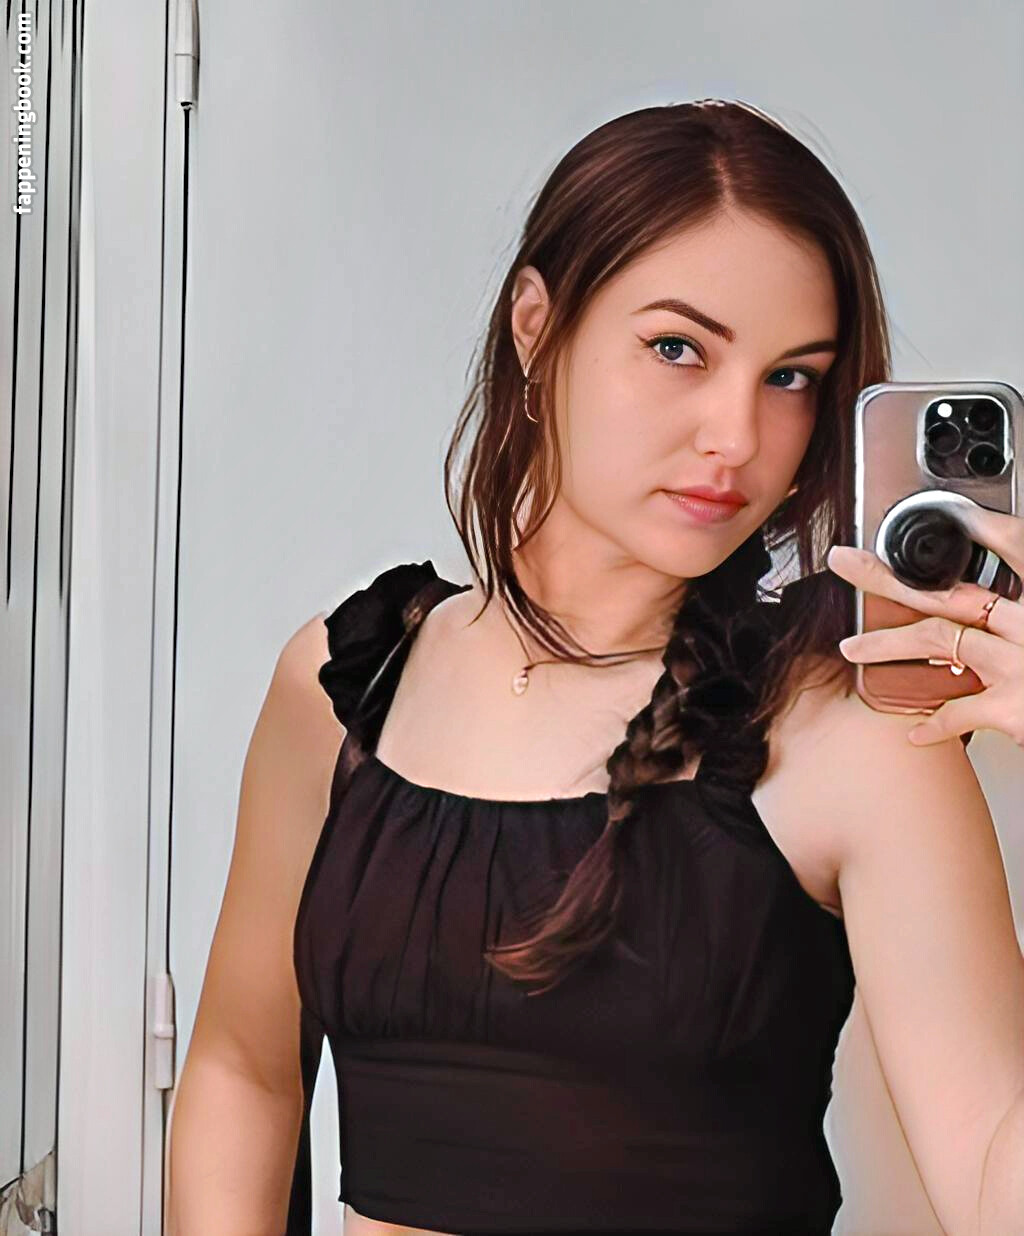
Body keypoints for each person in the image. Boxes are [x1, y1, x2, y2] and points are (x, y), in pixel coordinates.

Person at [166, 99, 1024, 1236]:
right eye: (678, 349)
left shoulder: (851, 732)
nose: (736, 436)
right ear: (537, 327)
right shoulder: (345, 685)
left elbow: (994, 1175)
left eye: (790, 377)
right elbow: (241, 1069)